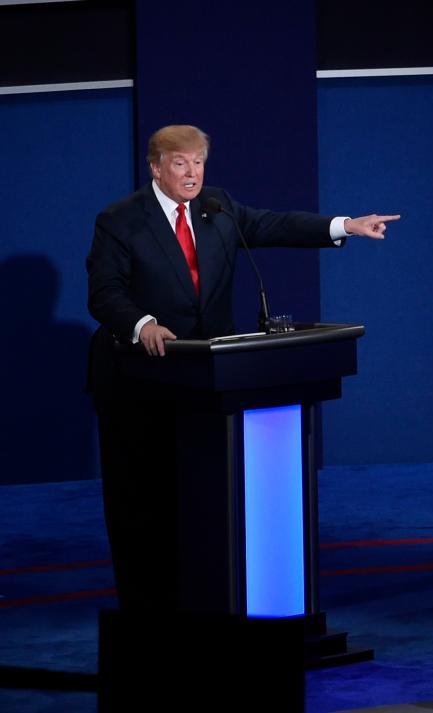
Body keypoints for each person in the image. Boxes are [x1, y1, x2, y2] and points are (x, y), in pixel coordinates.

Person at [86, 124, 400, 611]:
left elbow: (274, 225)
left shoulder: (217, 207)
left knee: (204, 498)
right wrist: (142, 322)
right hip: (138, 383)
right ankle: (146, 611)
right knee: (141, 502)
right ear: (156, 167)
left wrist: (343, 226)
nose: (192, 174)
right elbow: (105, 291)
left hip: (208, 380)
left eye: (199, 162)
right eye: (180, 163)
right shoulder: (120, 220)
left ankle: (211, 598)